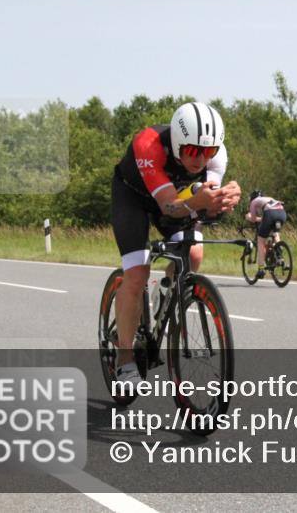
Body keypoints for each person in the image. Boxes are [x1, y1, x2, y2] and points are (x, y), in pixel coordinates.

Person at [110, 102, 241, 385]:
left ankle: (165, 294)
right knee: (136, 274)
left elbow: (206, 199)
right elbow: (168, 206)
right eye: (193, 151)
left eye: (208, 152)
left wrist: (224, 199)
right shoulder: (149, 144)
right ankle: (124, 357)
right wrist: (200, 201)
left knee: (193, 254)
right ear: (179, 142)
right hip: (134, 199)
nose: (201, 160)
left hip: (176, 198)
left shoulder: (215, 155)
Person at [244, 189, 287, 279]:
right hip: (282, 213)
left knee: (260, 241)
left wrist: (248, 217)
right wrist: (260, 218)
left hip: (270, 214)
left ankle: (261, 269)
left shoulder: (254, 202)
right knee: (275, 233)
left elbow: (253, 219)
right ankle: (280, 256)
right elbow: (264, 217)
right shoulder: (268, 199)